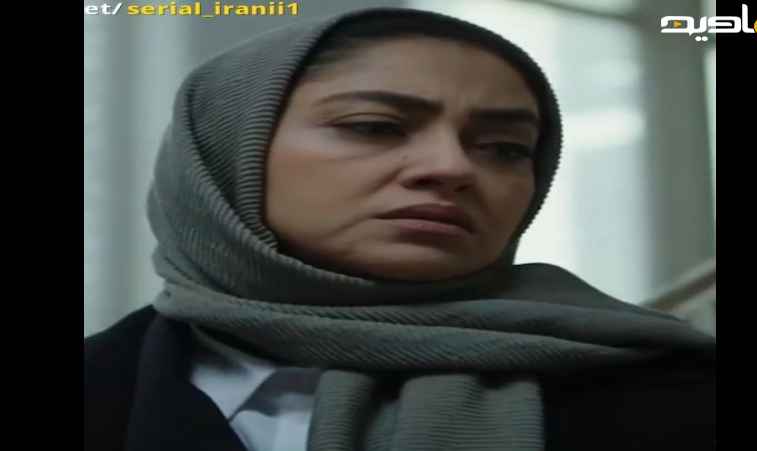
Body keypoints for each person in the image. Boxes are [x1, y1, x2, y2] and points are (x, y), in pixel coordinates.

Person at [84, 7, 716, 451]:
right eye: (375, 127)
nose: (452, 168)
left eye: (504, 148)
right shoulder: (103, 384)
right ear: (224, 154)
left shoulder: (678, 391)